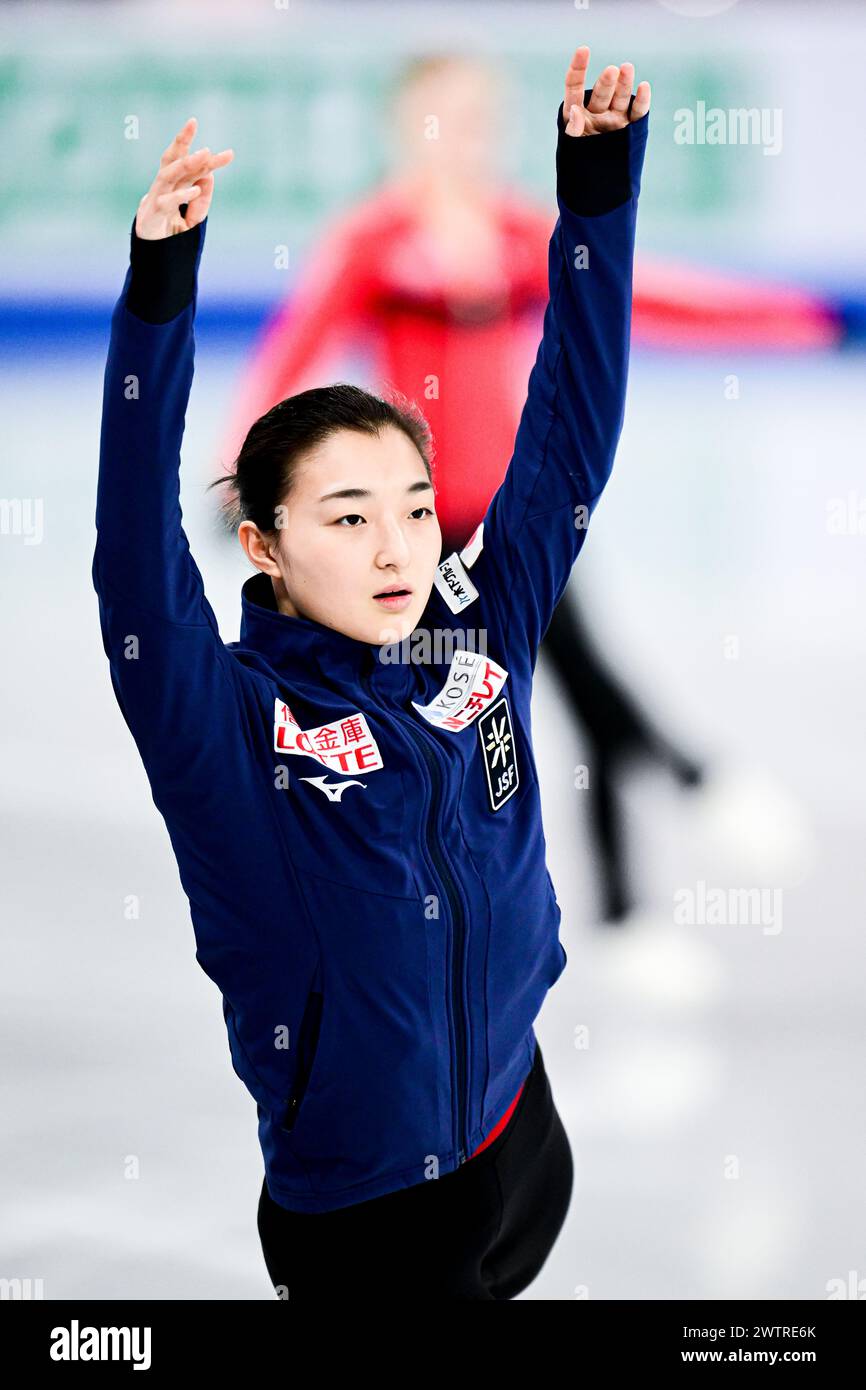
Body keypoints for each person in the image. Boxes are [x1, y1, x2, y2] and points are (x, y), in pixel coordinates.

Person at [92, 46, 650, 1300]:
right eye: (347, 518)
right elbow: (132, 558)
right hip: (370, 1221)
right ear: (266, 547)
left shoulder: (477, 628)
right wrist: (159, 288)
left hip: (524, 1139)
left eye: (409, 505)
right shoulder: (223, 724)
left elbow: (567, 436)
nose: (398, 545)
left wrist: (597, 196)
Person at [217, 52, 703, 926]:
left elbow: (651, 302)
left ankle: (636, 895)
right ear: (404, 125)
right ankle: (680, 784)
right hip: (423, 541)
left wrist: (809, 320)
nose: (462, 130)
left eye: (478, 112)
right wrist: (243, 472)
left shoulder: (518, 232)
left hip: (515, 526)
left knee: (588, 696)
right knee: (469, 730)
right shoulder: (374, 239)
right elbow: (294, 348)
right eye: (444, 112)